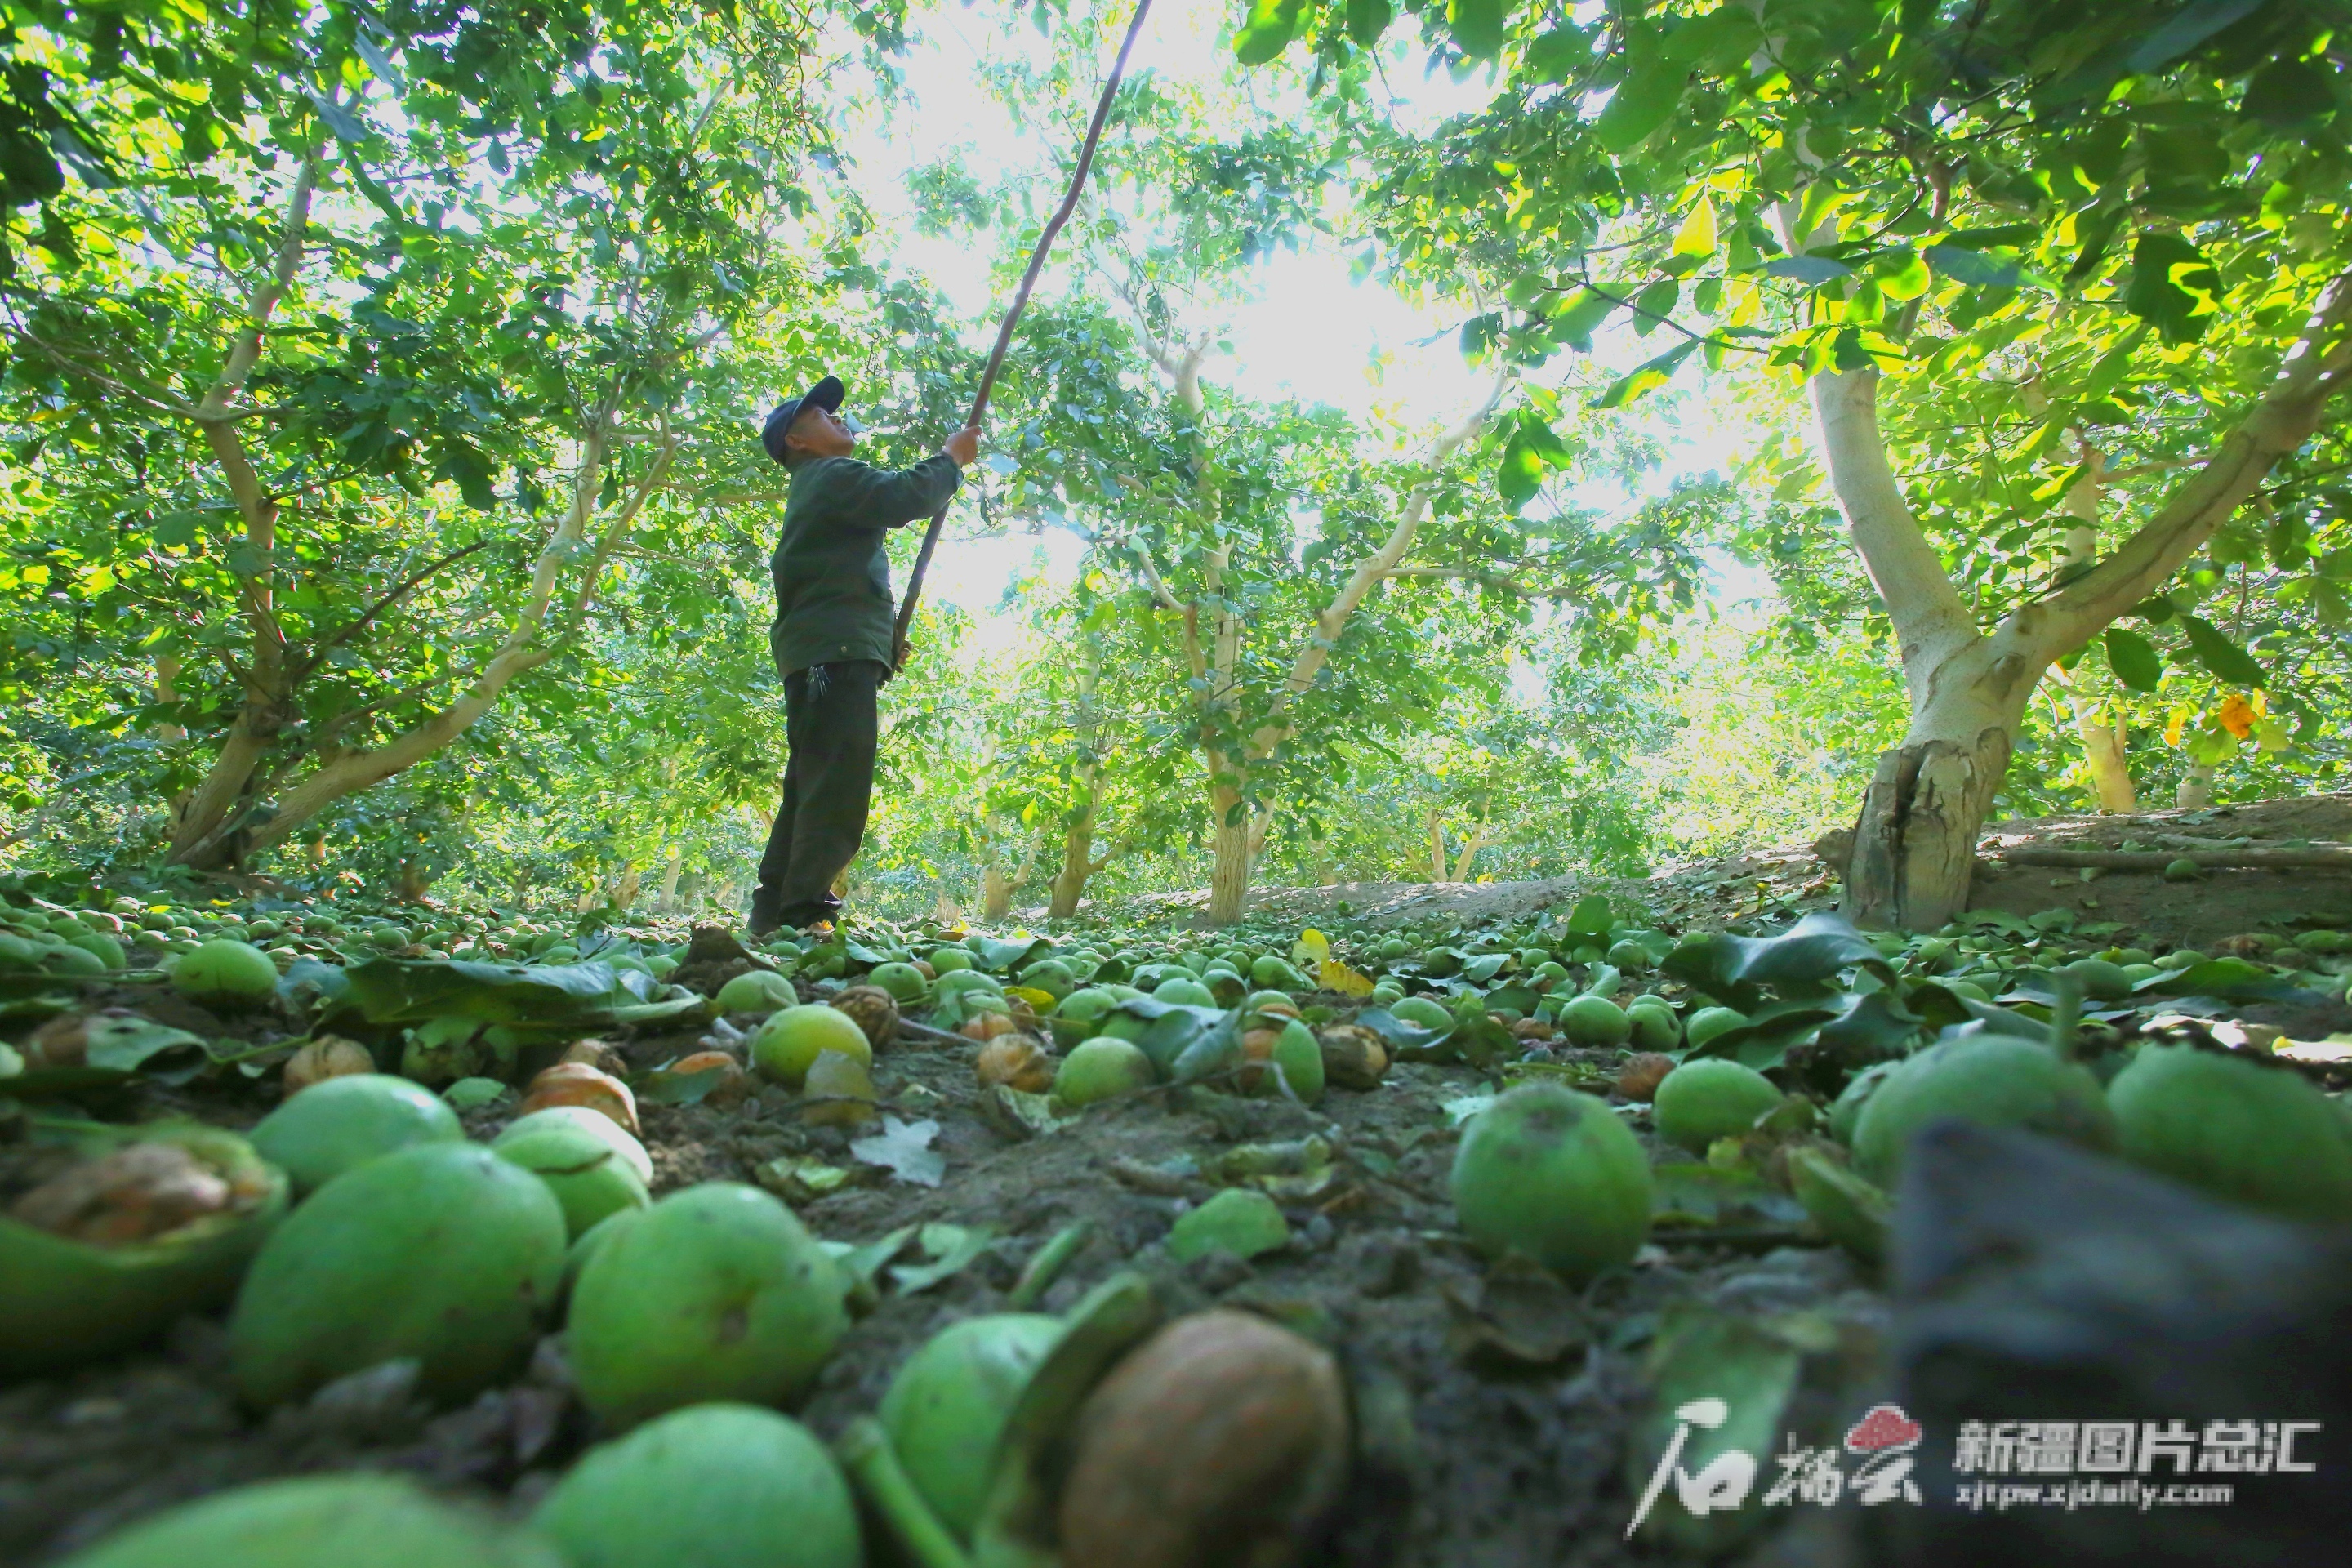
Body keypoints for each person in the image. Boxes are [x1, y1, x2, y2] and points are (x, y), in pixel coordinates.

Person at [748, 375, 980, 935]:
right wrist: (951, 460)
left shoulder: (817, 486)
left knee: (812, 780)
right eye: (821, 416)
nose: (837, 418)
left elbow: (836, 581)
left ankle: (773, 913)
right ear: (797, 442)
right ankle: (804, 914)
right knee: (837, 787)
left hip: (826, 648)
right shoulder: (828, 475)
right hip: (833, 649)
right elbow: (903, 498)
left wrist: (880, 642)